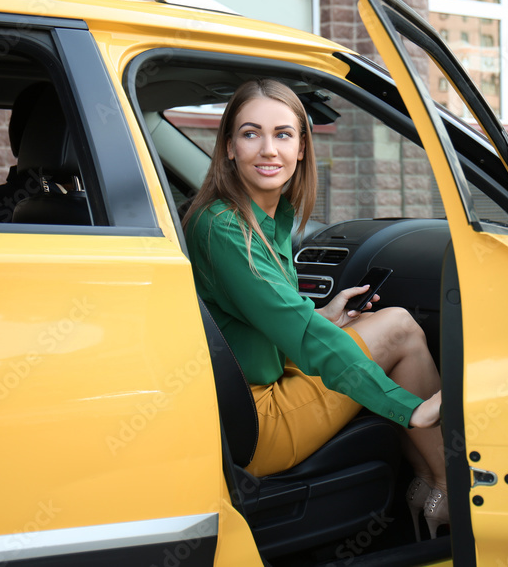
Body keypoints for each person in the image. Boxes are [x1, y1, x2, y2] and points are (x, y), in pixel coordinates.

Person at [182, 79, 448, 539]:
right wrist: (410, 409)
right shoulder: (224, 226)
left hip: (246, 394)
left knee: (377, 324)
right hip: (254, 420)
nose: (269, 150)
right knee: (401, 329)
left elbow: (260, 318)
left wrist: (321, 315)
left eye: (283, 134)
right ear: (228, 146)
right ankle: (449, 489)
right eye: (251, 134)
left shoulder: (262, 215)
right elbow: (299, 334)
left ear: (302, 147)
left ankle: (426, 486)